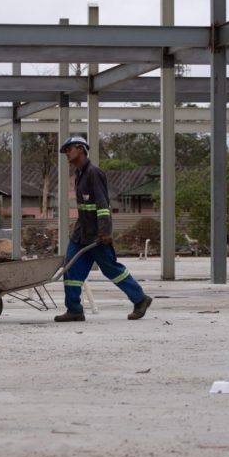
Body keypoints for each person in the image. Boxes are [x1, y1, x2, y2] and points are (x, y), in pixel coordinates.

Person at [54, 136, 152, 322]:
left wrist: (105, 232)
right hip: (81, 233)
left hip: (97, 235)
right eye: (65, 150)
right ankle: (74, 309)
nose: (67, 153)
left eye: (69, 149)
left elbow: (102, 204)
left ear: (81, 149)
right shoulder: (79, 174)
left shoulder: (94, 173)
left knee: (111, 269)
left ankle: (140, 299)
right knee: (71, 270)